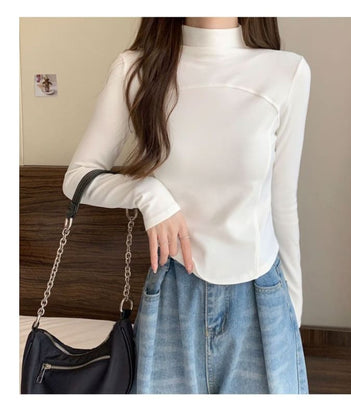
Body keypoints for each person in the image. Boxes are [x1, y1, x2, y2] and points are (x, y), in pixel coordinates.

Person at [62, 17, 311, 394]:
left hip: (261, 293)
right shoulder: (135, 69)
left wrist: (292, 309)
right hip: (173, 294)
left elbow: (283, 202)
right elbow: (77, 178)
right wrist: (148, 194)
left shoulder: (287, 72)